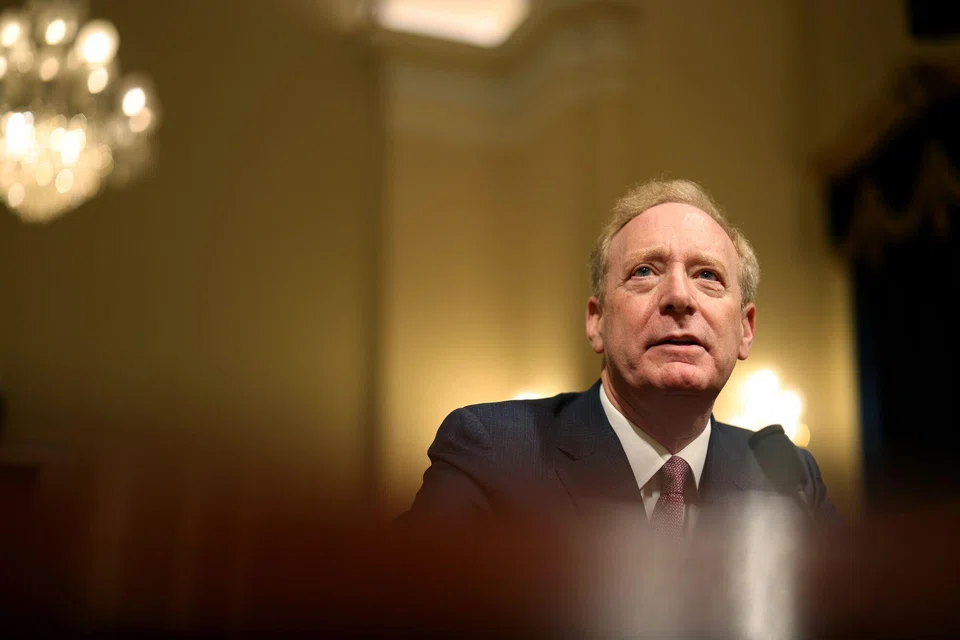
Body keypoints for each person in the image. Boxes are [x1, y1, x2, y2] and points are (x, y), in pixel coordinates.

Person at [401, 178, 838, 533]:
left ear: (745, 330)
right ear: (597, 321)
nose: (679, 297)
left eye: (707, 275)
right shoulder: (494, 452)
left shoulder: (787, 477)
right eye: (645, 271)